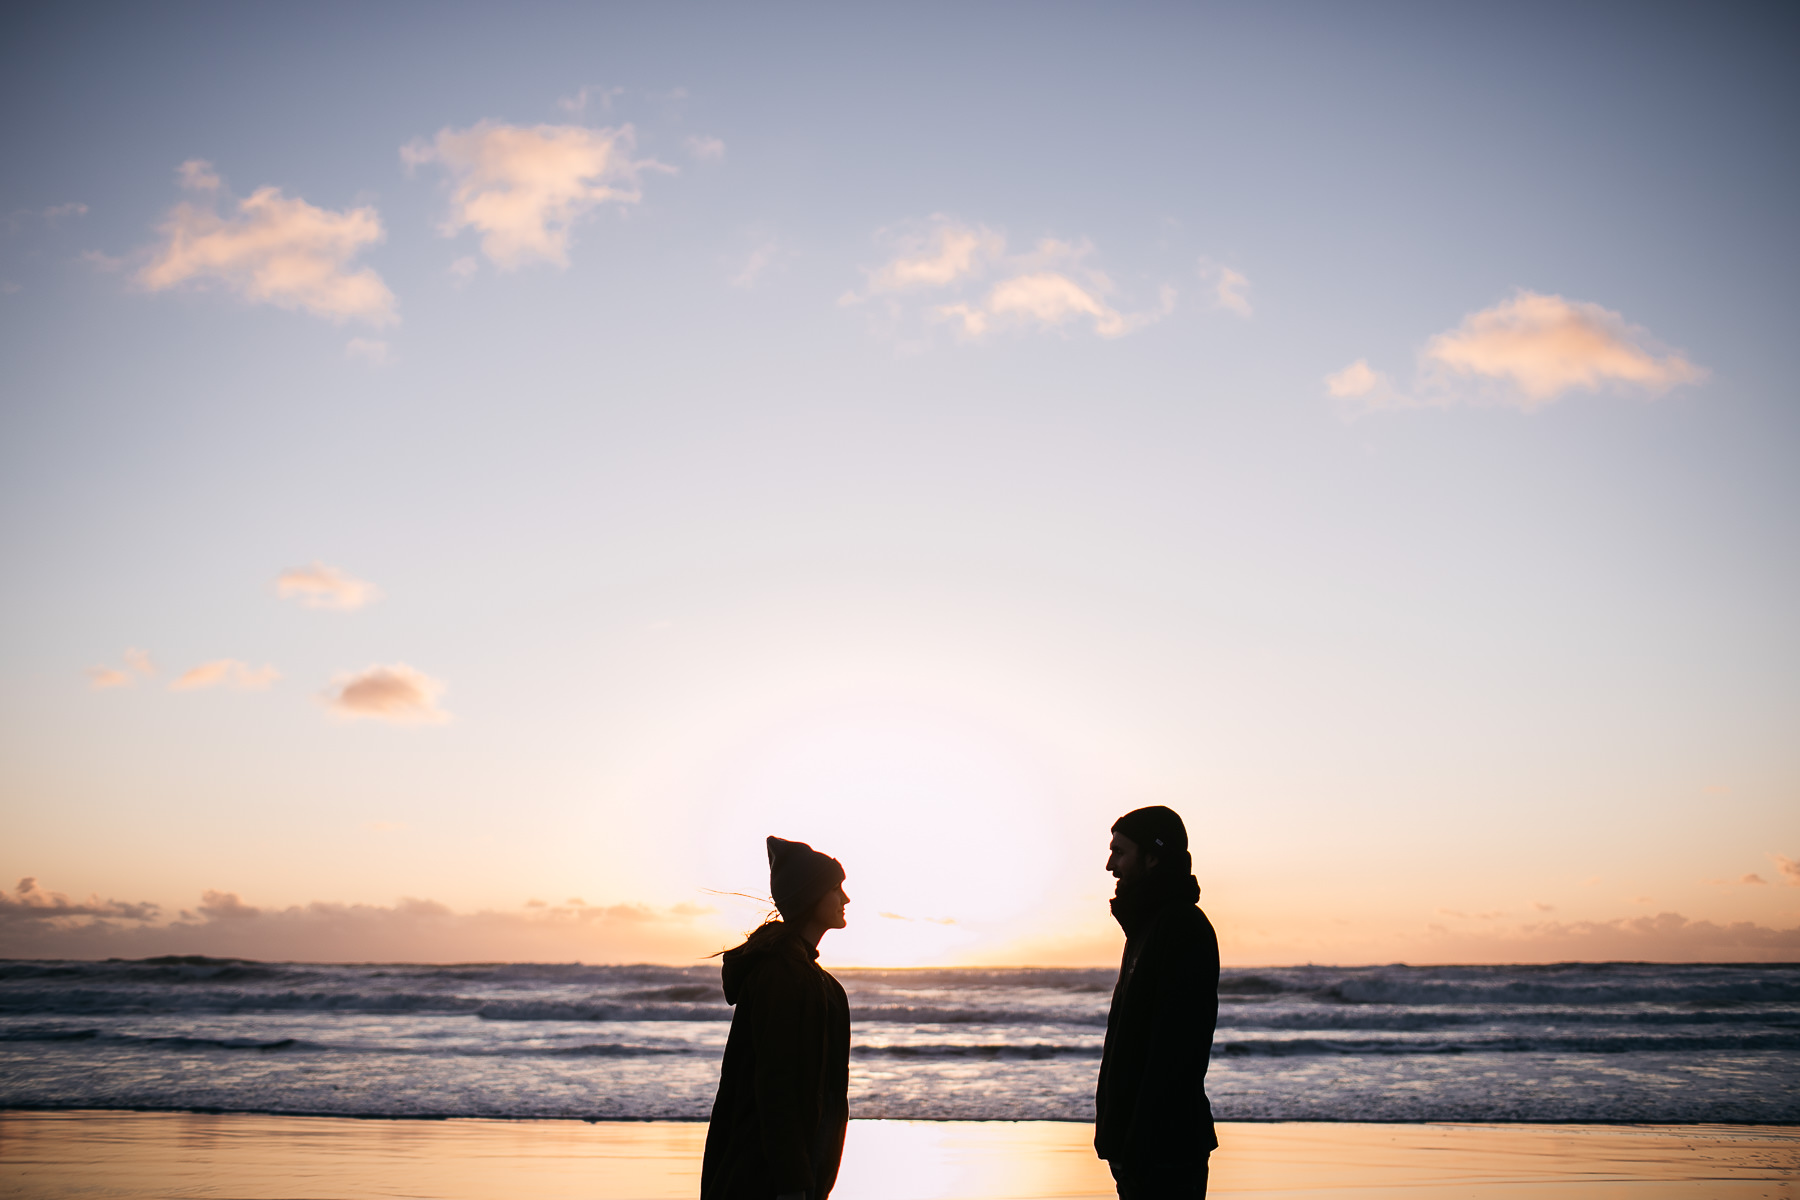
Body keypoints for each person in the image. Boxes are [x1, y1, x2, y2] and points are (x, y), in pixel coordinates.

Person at [701, 836, 852, 1200]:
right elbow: (776, 1087)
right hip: (765, 1181)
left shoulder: (822, 985)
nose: (846, 899)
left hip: (799, 1177)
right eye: (836, 888)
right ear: (810, 896)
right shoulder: (781, 977)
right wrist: (792, 1184)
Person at [1094, 805, 1220, 1198]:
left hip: (1163, 1150)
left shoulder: (1182, 927)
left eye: (1120, 852)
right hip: (1138, 1147)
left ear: (1152, 858)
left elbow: (1179, 1051)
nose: (1110, 865)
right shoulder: (1145, 928)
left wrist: (1140, 1143)